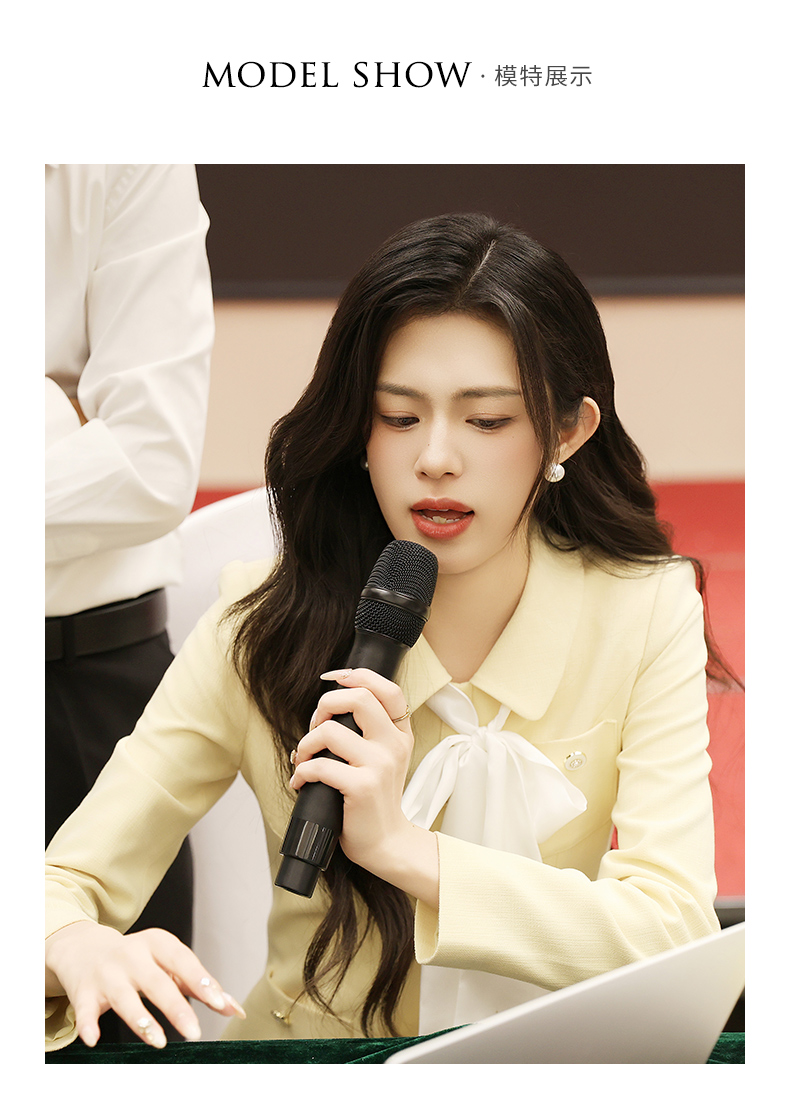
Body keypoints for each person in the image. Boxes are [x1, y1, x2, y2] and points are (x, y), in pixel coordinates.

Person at [45, 212, 734, 1053]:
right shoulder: (261, 621)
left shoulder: (644, 610)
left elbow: (674, 928)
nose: (435, 458)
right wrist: (68, 941)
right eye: (399, 417)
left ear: (567, 431)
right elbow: (60, 881)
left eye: (487, 421)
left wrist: (405, 851)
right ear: (358, 433)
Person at [45, 164, 214, 1040]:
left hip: (77, 686)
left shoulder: (121, 150)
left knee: (117, 1048)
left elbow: (149, 466)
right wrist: (55, 418)